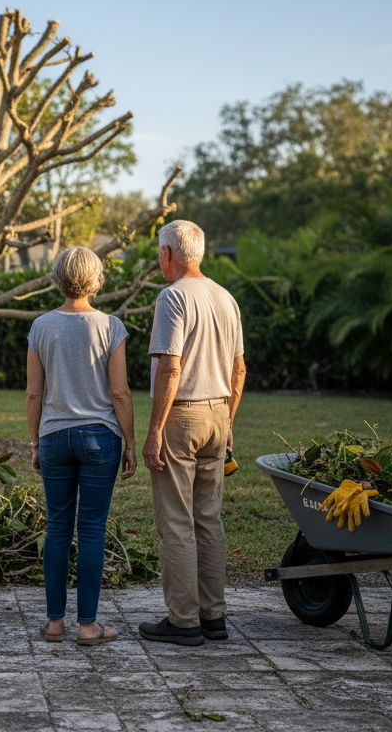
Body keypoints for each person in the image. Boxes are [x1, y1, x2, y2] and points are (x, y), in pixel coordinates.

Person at [138, 220, 246, 646]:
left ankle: (183, 621)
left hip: (182, 416)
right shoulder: (226, 297)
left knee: (177, 523)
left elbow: (170, 367)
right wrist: (230, 420)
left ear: (168, 254)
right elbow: (239, 370)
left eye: (158, 253)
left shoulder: (173, 297)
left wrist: (154, 430)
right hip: (219, 414)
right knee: (209, 520)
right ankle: (213, 616)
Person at [26, 246, 138, 646]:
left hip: (55, 437)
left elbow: (34, 395)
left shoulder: (41, 326)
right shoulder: (111, 326)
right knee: (91, 530)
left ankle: (54, 623)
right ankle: (88, 625)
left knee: (57, 528)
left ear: (58, 277)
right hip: (99, 438)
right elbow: (120, 392)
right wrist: (130, 442)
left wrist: (35, 442)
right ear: (95, 279)